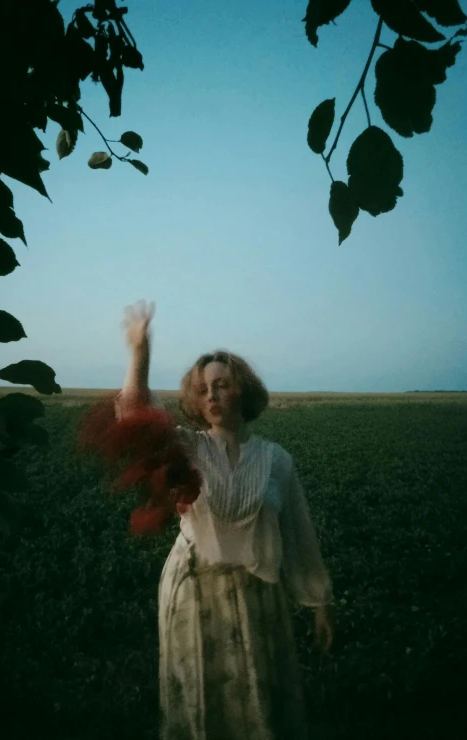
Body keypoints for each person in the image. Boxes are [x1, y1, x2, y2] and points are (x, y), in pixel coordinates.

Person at [116, 300, 335, 740]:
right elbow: (137, 418)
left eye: (221, 385)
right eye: (203, 389)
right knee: (202, 708)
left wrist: (320, 601)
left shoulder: (275, 461)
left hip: (258, 600)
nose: (212, 395)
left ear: (243, 391)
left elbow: (298, 534)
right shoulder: (189, 449)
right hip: (194, 593)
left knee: (259, 711)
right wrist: (139, 353)